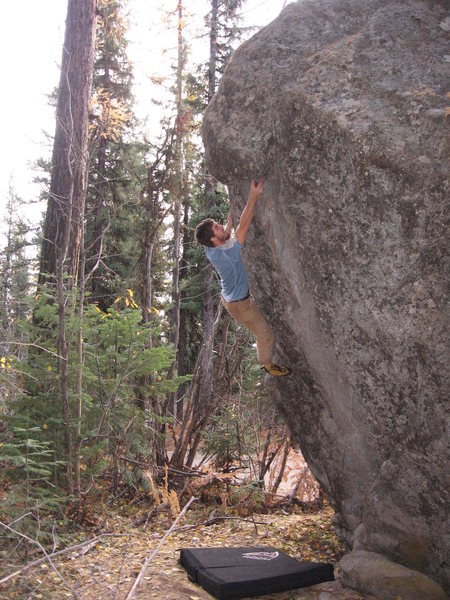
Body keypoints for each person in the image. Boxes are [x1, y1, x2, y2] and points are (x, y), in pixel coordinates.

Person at [194, 179, 291, 377]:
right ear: (214, 239)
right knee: (266, 336)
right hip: (241, 306)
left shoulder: (210, 248)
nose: (222, 227)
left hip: (230, 297)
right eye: (218, 228)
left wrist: (227, 226)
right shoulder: (228, 254)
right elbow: (244, 224)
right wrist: (253, 196)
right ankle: (267, 364)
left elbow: (225, 237)